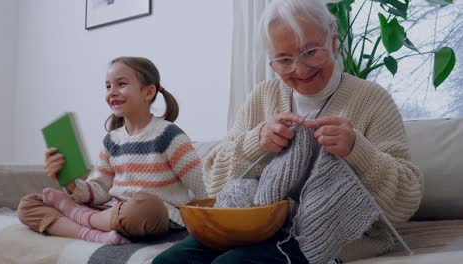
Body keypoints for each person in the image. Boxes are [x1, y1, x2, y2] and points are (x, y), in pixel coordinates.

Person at [152, 0, 423, 263]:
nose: (300, 69)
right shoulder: (262, 97)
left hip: (335, 231)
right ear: (271, 61)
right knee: (170, 260)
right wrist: (255, 142)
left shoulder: (371, 100)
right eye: (284, 59)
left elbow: (405, 201)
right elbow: (213, 182)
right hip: (254, 223)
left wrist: (357, 150)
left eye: (311, 52)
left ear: (333, 41)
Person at [18, 56, 207, 244]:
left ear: (148, 92)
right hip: (112, 213)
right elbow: (100, 190)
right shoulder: (112, 140)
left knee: (144, 206)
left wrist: (206, 224)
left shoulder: (168, 135)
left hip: (152, 216)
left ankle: (83, 218)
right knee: (29, 204)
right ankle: (96, 235)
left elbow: (201, 185)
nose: (112, 92)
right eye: (108, 86)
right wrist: (70, 184)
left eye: (121, 84)